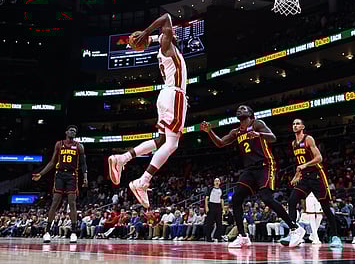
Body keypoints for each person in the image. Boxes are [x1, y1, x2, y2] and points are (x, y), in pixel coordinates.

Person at [108, 13, 187, 208]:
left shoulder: (165, 49)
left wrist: (146, 38)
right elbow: (166, 18)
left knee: (161, 140)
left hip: (165, 96)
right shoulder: (167, 47)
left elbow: (162, 32)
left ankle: (121, 158)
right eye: (170, 34)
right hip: (174, 95)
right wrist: (145, 33)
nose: (172, 34)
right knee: (172, 144)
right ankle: (142, 182)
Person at [200, 105, 301, 248]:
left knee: (266, 198)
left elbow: (273, 138)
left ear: (250, 113)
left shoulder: (257, 124)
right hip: (249, 169)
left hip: (265, 165)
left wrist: (259, 135)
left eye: (243, 108)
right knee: (236, 198)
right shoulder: (236, 132)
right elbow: (221, 143)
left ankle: (295, 228)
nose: (239, 110)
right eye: (238, 109)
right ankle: (243, 236)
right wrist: (209, 131)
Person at [283, 119, 342, 248]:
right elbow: (300, 163)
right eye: (293, 124)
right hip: (304, 178)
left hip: (316, 176)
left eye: (298, 123)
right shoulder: (293, 144)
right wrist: (296, 176)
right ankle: (293, 232)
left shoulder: (308, 139)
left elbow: (319, 158)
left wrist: (305, 165)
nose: (295, 125)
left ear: (303, 126)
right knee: (292, 201)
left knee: (325, 207)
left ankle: (336, 237)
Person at [32, 125, 88, 243]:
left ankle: (73, 232)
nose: (73, 132)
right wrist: (41, 174)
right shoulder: (59, 144)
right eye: (71, 130)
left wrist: (85, 177)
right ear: (66, 132)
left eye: (75, 131)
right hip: (60, 175)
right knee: (55, 202)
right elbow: (53, 162)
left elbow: (83, 164)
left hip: (72, 175)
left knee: (72, 203)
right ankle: (47, 232)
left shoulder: (79, 146)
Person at [204, 178, 224, 242]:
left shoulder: (221, 190)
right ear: (214, 182)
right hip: (211, 205)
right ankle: (208, 237)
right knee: (210, 223)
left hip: (218, 206)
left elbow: (222, 200)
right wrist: (206, 207)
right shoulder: (210, 189)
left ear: (220, 182)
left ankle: (219, 237)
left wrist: (222, 208)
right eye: (215, 181)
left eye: (218, 181)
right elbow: (206, 198)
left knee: (219, 223)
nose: (217, 182)